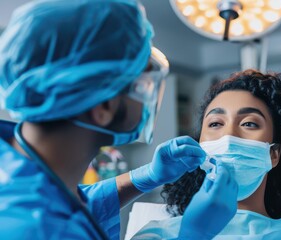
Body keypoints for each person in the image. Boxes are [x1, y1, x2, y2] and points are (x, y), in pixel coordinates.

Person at [0, 0, 238, 239]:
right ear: (105, 106)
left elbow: (71, 207)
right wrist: (193, 234)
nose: (149, 96)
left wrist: (146, 177)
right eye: (143, 85)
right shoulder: (33, 228)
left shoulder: (22, 173)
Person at [131, 70, 281, 239]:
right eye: (216, 123)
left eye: (248, 123)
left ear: (273, 154)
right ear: (199, 147)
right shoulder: (160, 234)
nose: (229, 135)